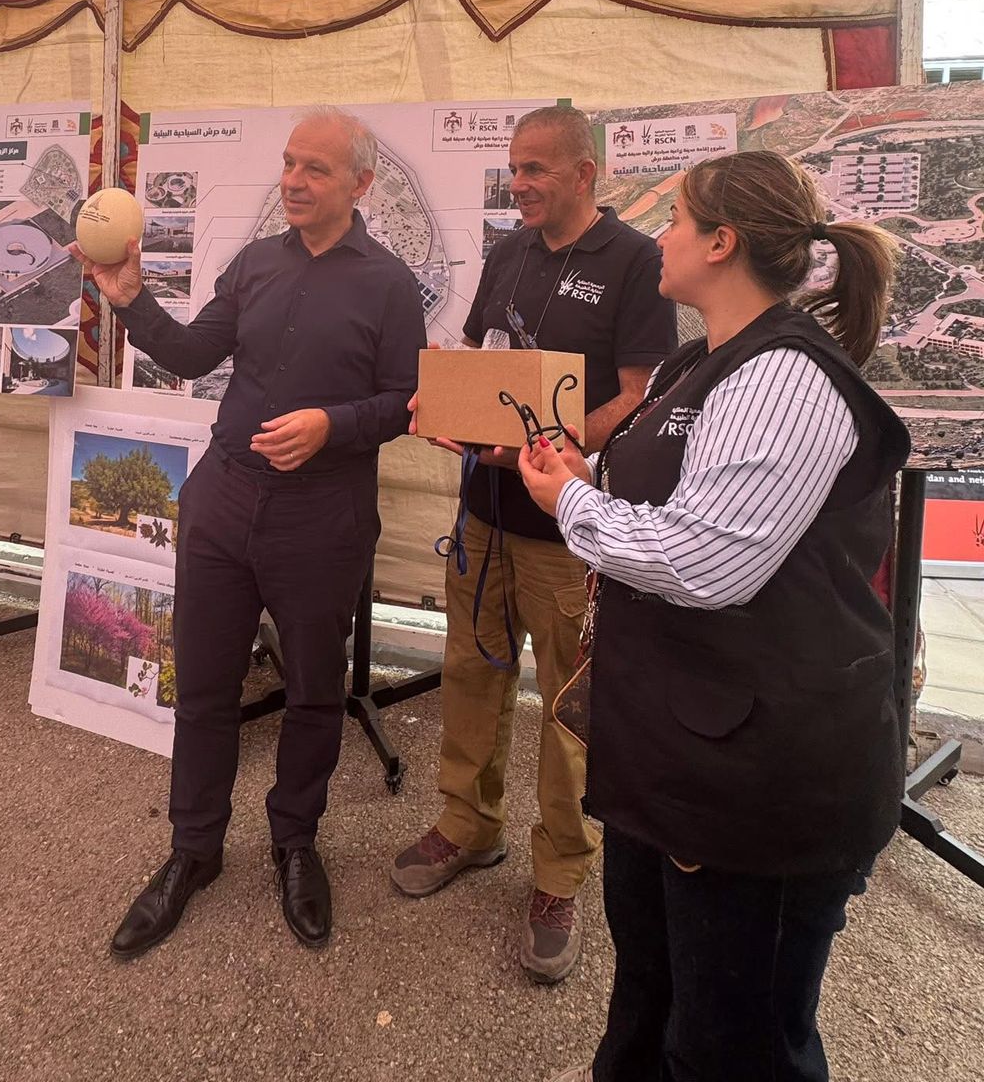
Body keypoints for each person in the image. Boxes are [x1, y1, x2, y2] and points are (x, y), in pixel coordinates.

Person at [517, 149, 910, 1082]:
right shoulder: (700, 360)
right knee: (650, 1000)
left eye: (678, 220)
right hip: (679, 758)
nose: (662, 236)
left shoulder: (786, 379)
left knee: (737, 1044)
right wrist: (583, 472)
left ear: (723, 242)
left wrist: (570, 506)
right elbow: (664, 492)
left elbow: (706, 561)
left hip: (758, 787)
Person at [78, 106, 425, 957]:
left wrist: (332, 426)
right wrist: (131, 300)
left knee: (313, 690)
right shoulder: (256, 263)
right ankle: (193, 850)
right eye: (289, 163)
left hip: (323, 514)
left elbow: (405, 404)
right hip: (224, 499)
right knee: (203, 687)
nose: (293, 181)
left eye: (315, 169)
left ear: (360, 184)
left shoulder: (389, 285)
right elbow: (195, 354)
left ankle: (294, 842)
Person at [392, 105, 677, 983]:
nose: (517, 184)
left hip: (568, 529)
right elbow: (481, 359)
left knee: (564, 706)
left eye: (535, 170)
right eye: (514, 168)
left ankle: (559, 874)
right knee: (471, 675)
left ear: (585, 172)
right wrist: (446, 404)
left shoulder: (635, 260)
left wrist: (557, 449)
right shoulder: (509, 251)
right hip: (483, 515)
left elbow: (640, 392)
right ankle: (468, 826)